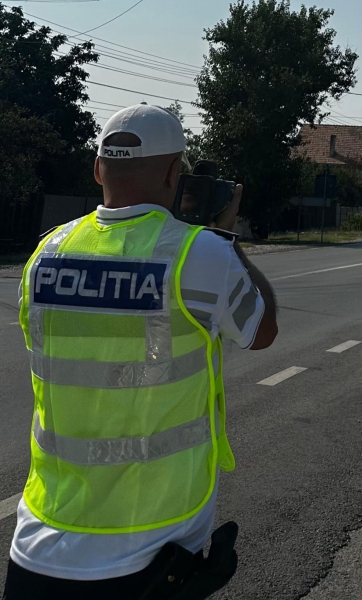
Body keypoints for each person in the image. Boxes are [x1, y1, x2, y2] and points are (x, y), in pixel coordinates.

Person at [2, 104, 279, 599]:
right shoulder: (200, 252)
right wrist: (225, 235)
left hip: (39, 544)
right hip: (152, 548)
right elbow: (261, 331)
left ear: (97, 169)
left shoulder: (45, 254)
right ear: (174, 173)